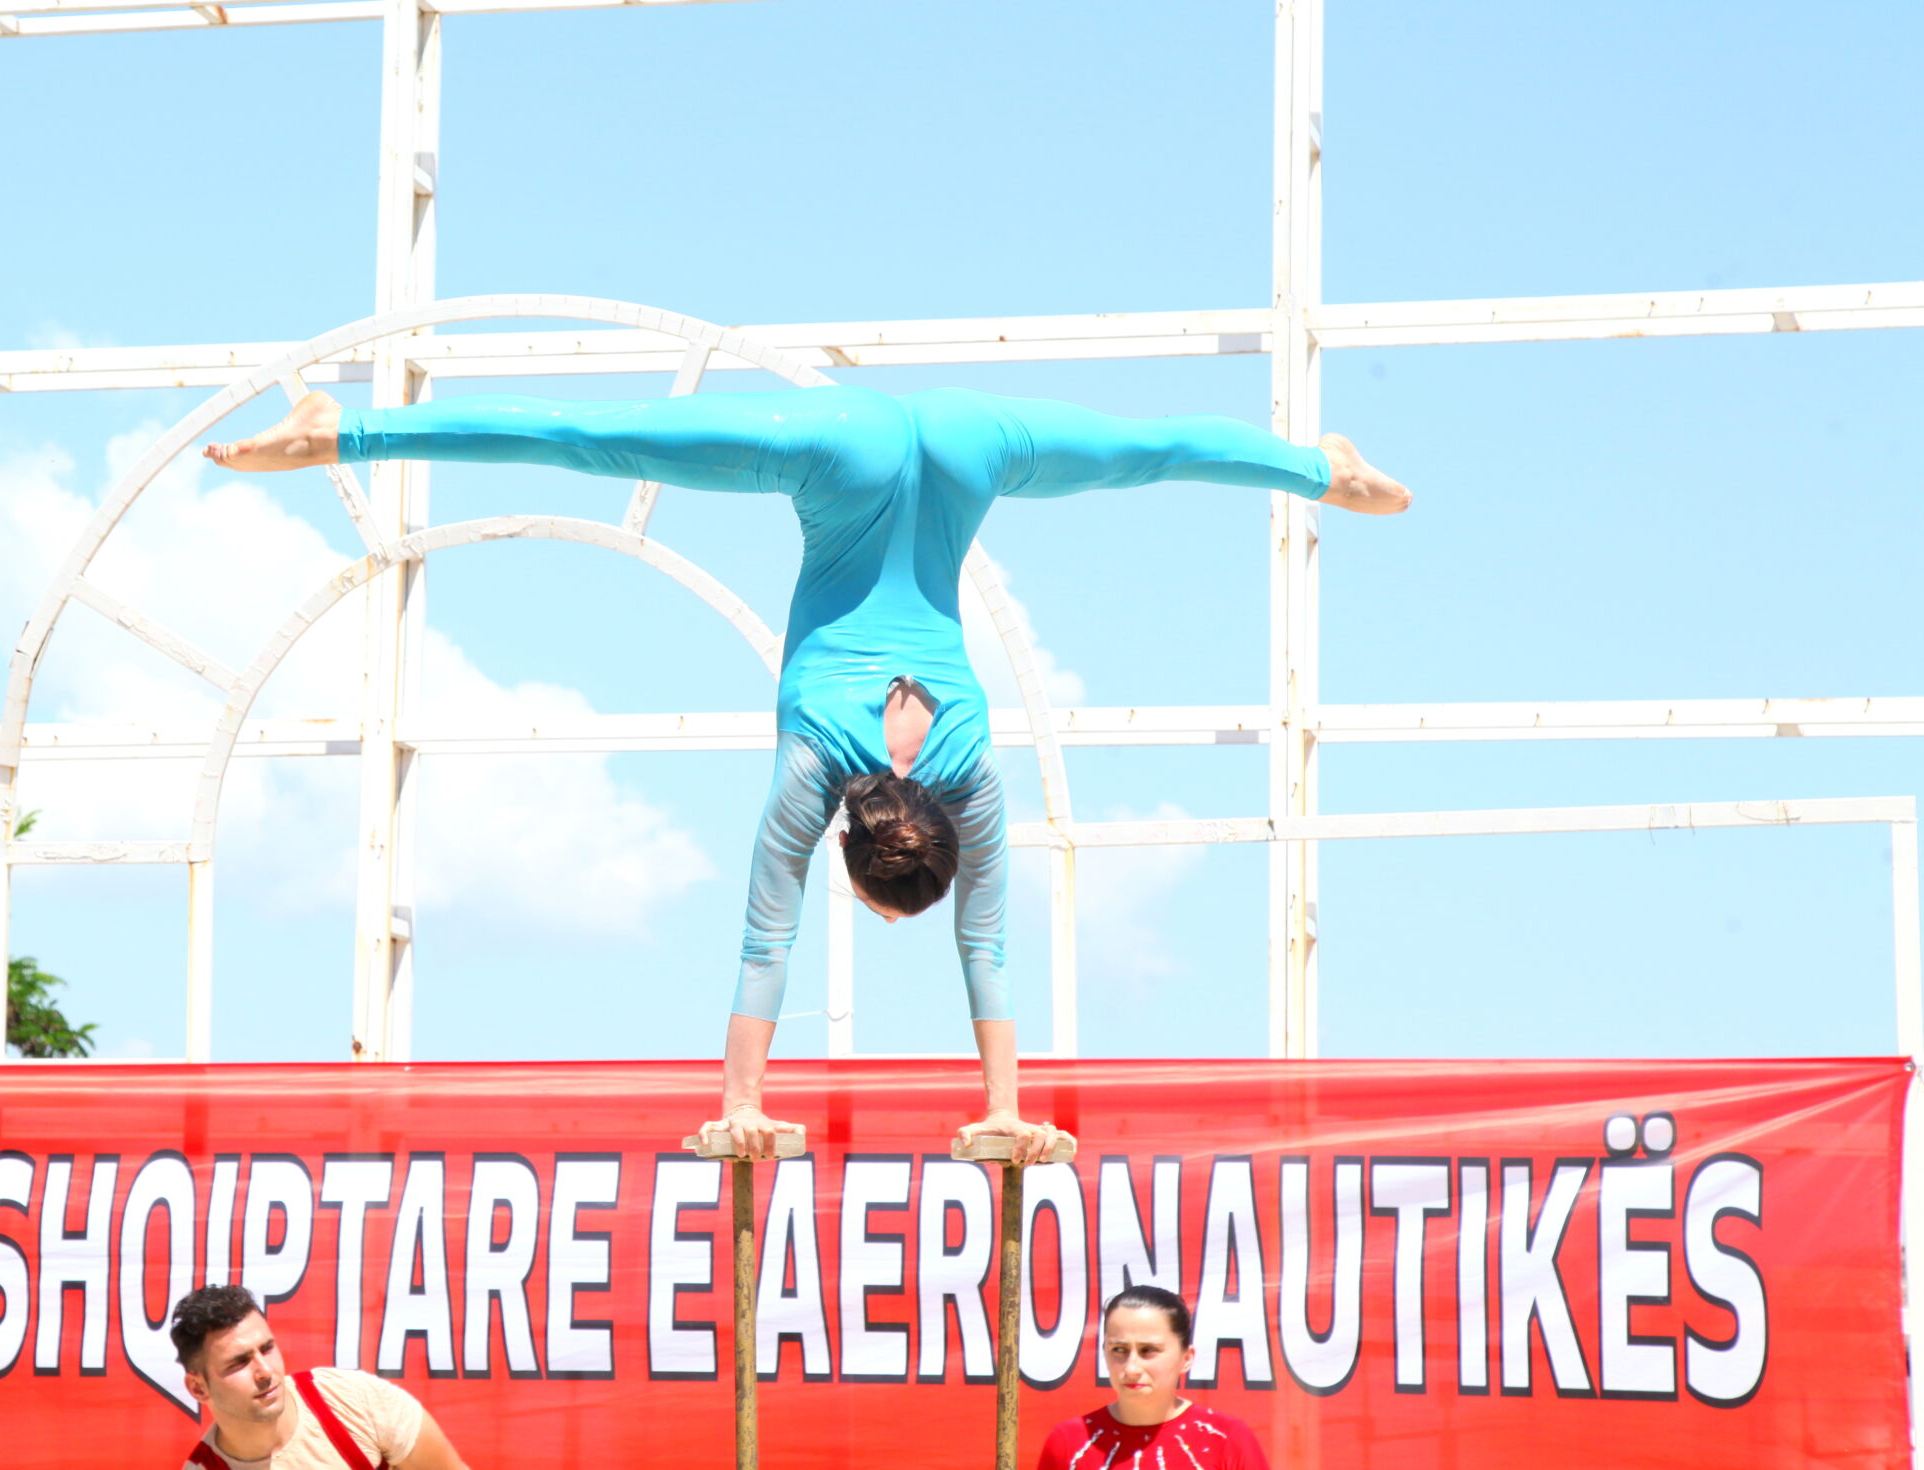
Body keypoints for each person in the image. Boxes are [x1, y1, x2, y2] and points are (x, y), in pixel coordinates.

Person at [209, 386, 1408, 1161]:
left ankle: (1317, 466)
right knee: (597, 440)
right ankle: (338, 436)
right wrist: (740, 1103)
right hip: (835, 458)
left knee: (1150, 452)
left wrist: (1008, 1104)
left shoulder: (971, 772)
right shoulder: (813, 765)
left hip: (965, 444)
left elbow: (986, 941)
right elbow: (765, 935)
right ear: (853, 844)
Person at [170, 1284, 471, 1470]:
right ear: (198, 1388)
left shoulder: (351, 1399)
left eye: (267, 1348)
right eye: (239, 1363)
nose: (265, 1371)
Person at [1036, 1285, 1272, 1470]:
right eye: (1119, 1350)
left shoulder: (1226, 1439)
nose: (1132, 1368)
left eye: (1148, 1350)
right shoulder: (1069, 1442)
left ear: (1186, 1358)